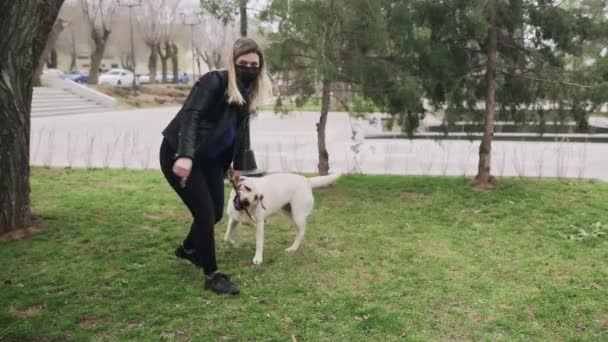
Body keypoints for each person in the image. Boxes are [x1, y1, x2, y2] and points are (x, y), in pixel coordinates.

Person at [159, 38, 271, 295]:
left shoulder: (248, 94)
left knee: (217, 213)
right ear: (232, 64)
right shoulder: (214, 81)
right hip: (179, 154)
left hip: (211, 160)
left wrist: (237, 165)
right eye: (243, 63)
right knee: (205, 214)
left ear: (260, 67)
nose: (249, 68)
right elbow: (191, 115)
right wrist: (184, 155)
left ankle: (188, 249)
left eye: (254, 64)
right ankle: (212, 275)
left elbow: (240, 132)